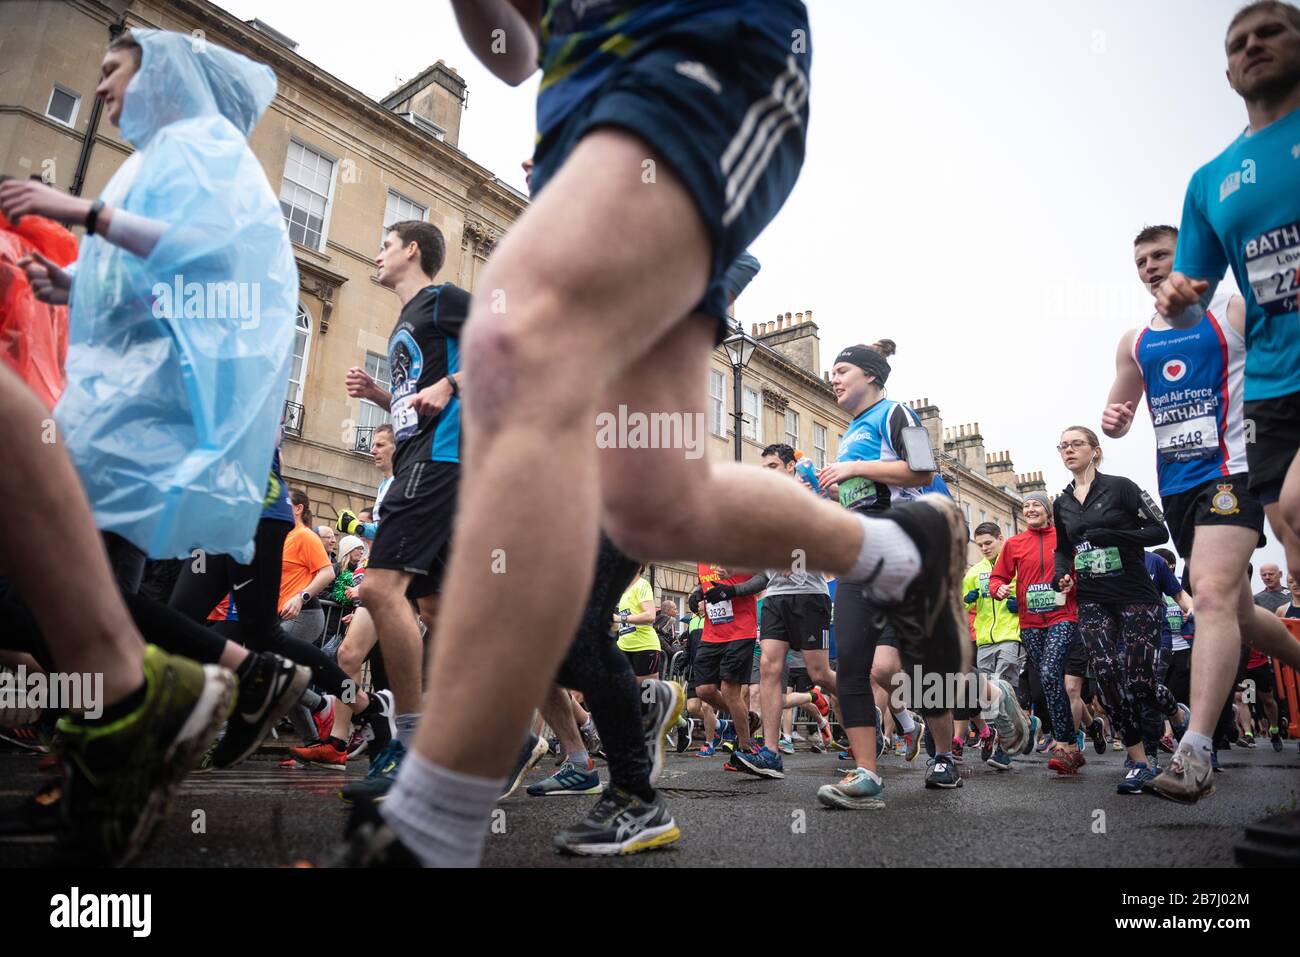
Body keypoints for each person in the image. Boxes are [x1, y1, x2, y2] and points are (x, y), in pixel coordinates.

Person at [367, 0, 968, 868]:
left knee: (508, 337)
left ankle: (432, 819)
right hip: (589, 96)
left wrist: (864, 467)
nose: (836, 379)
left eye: (844, 371)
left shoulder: (892, 416)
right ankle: (900, 553)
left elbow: (919, 465)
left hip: (694, 49)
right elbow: (512, 48)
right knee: (656, 501)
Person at [0, 28, 296, 586]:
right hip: (122, 404)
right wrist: (71, 285)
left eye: (113, 70)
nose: (99, 86)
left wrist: (79, 210)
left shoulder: (200, 146)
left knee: (73, 576)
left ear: (157, 75)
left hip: (146, 410)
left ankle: (237, 666)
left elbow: (205, 249)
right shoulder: (156, 157)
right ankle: (233, 667)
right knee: (79, 576)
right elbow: (155, 280)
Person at [0, 362, 234, 865]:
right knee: (56, 619)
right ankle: (89, 749)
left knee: (85, 617)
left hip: (119, 486)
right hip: (108, 473)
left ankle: (202, 680)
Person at [1103, 221, 1300, 801]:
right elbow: (1120, 406)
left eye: (1160, 256)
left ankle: (1195, 750)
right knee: (1235, 611)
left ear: (1186, 256)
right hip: (1178, 489)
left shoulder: (1233, 310)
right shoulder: (1136, 341)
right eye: (1141, 263)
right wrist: (1116, 418)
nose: (1150, 269)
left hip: (1233, 471)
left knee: (1207, 594)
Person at [1155, 1, 1300, 600]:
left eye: (1272, 32)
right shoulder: (1210, 180)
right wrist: (1177, 298)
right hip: (1270, 385)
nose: (1252, 45)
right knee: (1289, 526)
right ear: (1228, 75)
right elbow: (1196, 294)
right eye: (1238, 42)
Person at [336, 220, 470, 801]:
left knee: (379, 591)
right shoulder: (406, 319)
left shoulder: (444, 300)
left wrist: (453, 385)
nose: (378, 252)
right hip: (421, 456)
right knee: (437, 608)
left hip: (438, 461)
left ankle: (412, 746)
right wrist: (380, 395)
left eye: (385, 243)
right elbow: (417, 394)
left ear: (412, 250)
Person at [1051, 427, 1181, 794]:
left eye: (1077, 443)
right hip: (1092, 596)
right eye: (1063, 445)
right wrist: (1062, 573)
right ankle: (1140, 762)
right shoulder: (1062, 503)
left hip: (1135, 593)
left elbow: (1159, 531)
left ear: (1095, 450)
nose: (1069, 450)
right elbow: (1063, 548)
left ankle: (1175, 712)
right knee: (1106, 674)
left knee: (1140, 681)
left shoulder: (1121, 487)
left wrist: (1116, 536)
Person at [964, 522, 1022, 769]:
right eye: (980, 545)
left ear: (1001, 539)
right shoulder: (973, 572)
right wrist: (967, 601)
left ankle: (1005, 749)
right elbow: (962, 606)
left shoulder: (1016, 565)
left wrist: (1020, 602)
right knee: (988, 696)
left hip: (1011, 634)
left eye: (988, 543)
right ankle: (1024, 727)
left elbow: (1033, 592)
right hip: (984, 639)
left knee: (1003, 687)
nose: (985, 548)